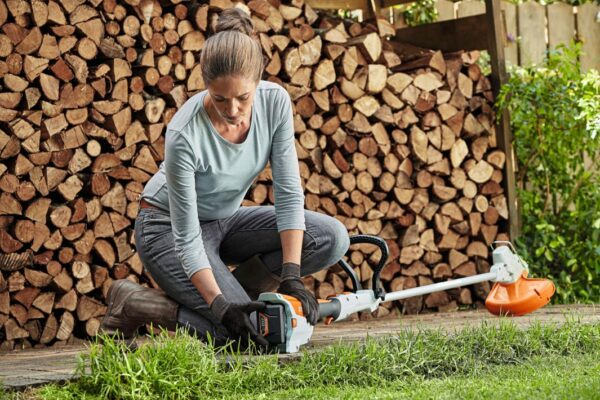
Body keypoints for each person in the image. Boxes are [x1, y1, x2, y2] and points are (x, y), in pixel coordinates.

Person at [100, 8, 350, 349]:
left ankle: (237, 298)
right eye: (220, 99)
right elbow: (187, 239)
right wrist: (221, 307)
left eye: (243, 98)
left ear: (258, 81)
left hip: (224, 221)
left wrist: (291, 275)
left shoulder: (274, 102)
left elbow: (289, 193)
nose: (232, 110)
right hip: (165, 228)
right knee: (243, 335)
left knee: (330, 238)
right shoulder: (184, 135)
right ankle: (134, 303)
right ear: (206, 85)